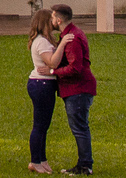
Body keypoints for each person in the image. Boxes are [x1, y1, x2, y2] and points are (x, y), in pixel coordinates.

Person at [50, 4, 97, 176]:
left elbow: (75, 68)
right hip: (77, 89)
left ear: (59, 19)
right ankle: (83, 164)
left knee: (79, 127)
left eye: (52, 17)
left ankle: (85, 166)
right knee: (80, 126)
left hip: (78, 89)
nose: (51, 20)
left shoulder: (72, 38)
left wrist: (53, 72)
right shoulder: (70, 34)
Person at [27, 9, 74, 174]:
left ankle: (42, 159)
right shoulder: (41, 42)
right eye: (52, 19)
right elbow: (52, 63)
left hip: (45, 85)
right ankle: (35, 161)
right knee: (39, 125)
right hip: (41, 84)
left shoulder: (45, 40)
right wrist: (62, 43)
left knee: (44, 125)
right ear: (45, 22)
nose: (55, 22)